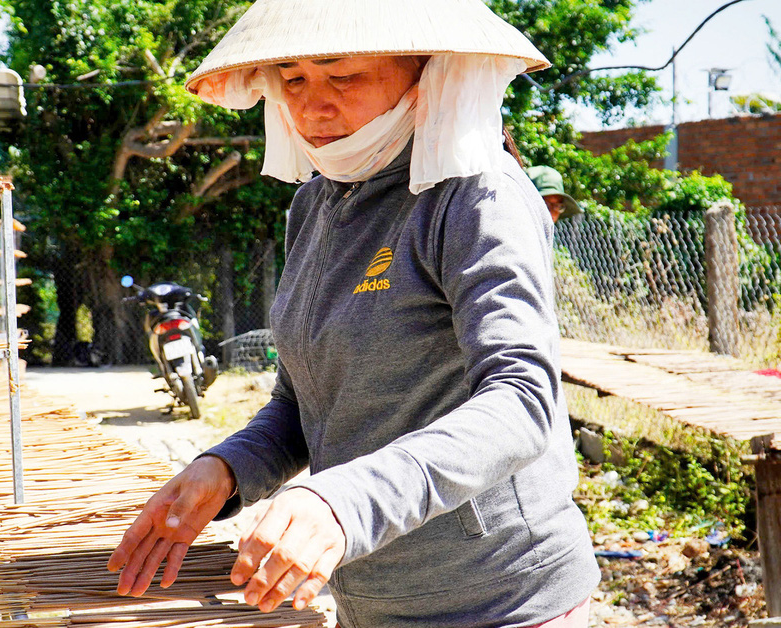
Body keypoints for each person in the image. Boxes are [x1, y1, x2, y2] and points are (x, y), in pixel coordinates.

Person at [106, 1, 600, 626]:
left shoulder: (478, 196)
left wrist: (345, 502)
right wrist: (225, 469)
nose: (312, 107)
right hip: (372, 602)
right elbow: (302, 403)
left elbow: (522, 401)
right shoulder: (313, 204)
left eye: (342, 76)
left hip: (503, 601)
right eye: (292, 79)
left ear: (425, 72)